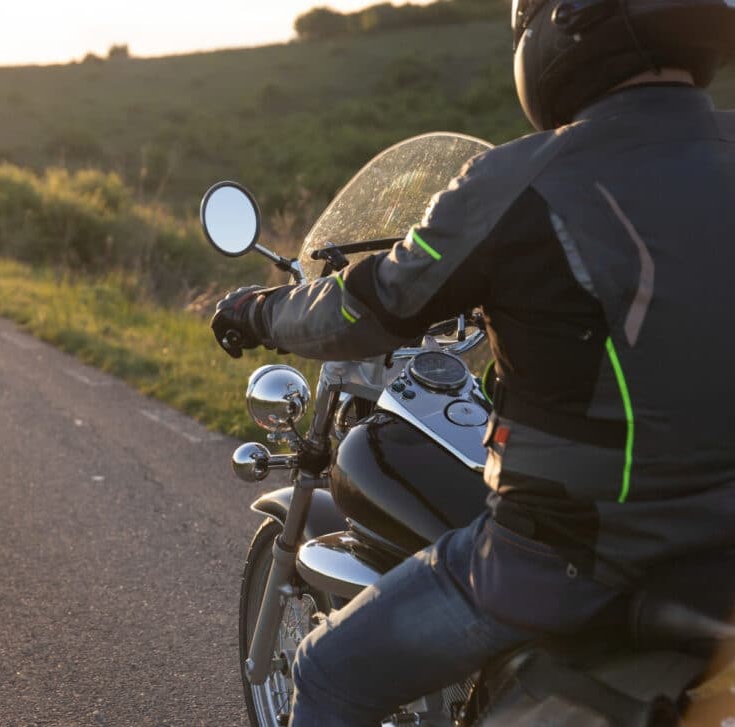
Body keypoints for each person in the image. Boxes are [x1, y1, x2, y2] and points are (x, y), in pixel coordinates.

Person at [211, 1, 735, 724]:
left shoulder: (521, 179)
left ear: (567, 21)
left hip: (561, 560)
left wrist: (256, 312)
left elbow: (368, 305)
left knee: (328, 669)